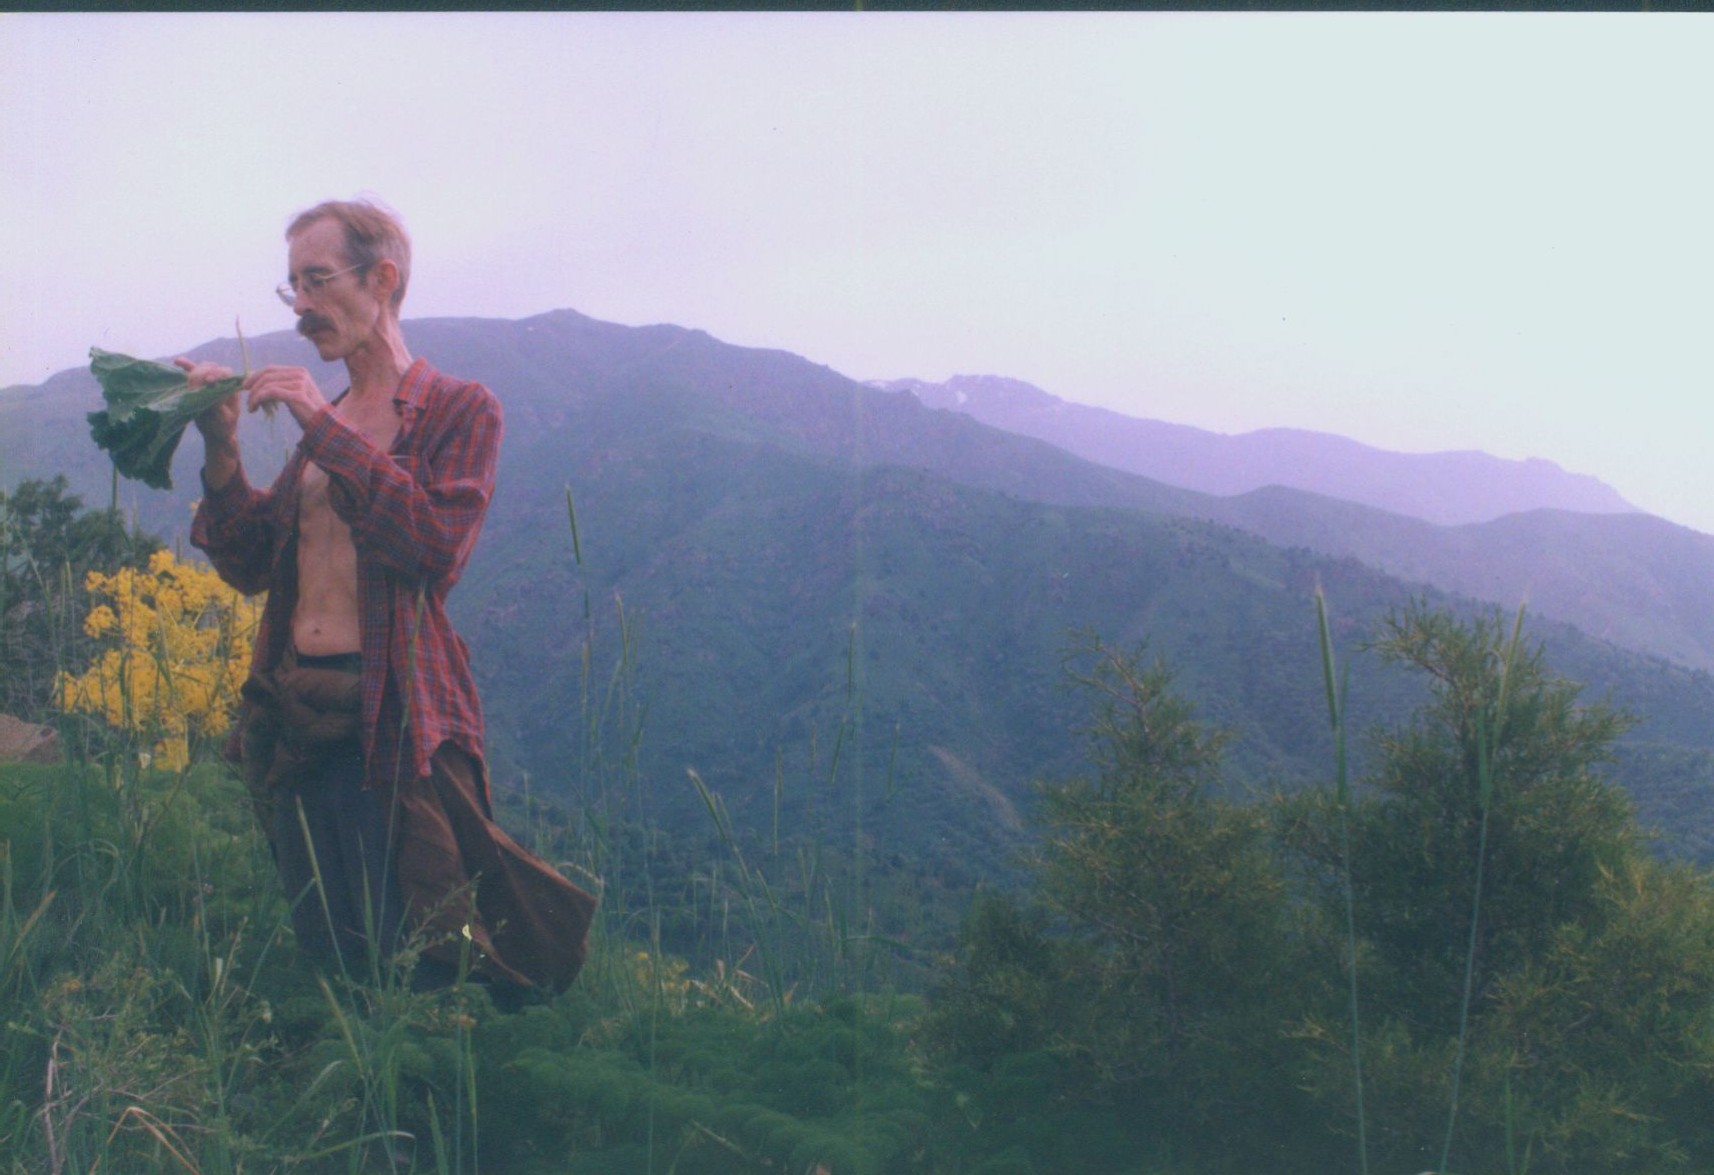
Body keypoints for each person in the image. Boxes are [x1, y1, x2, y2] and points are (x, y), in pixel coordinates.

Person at [183, 198, 596, 998]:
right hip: (299, 716)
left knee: (425, 954)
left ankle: (441, 1104)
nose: (301, 304)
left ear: (383, 279)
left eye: (317, 279)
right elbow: (250, 564)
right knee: (330, 951)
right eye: (290, 286)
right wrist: (222, 443)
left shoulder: (458, 408)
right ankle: (353, 1111)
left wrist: (318, 426)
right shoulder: (325, 422)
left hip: (394, 722)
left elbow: (434, 549)